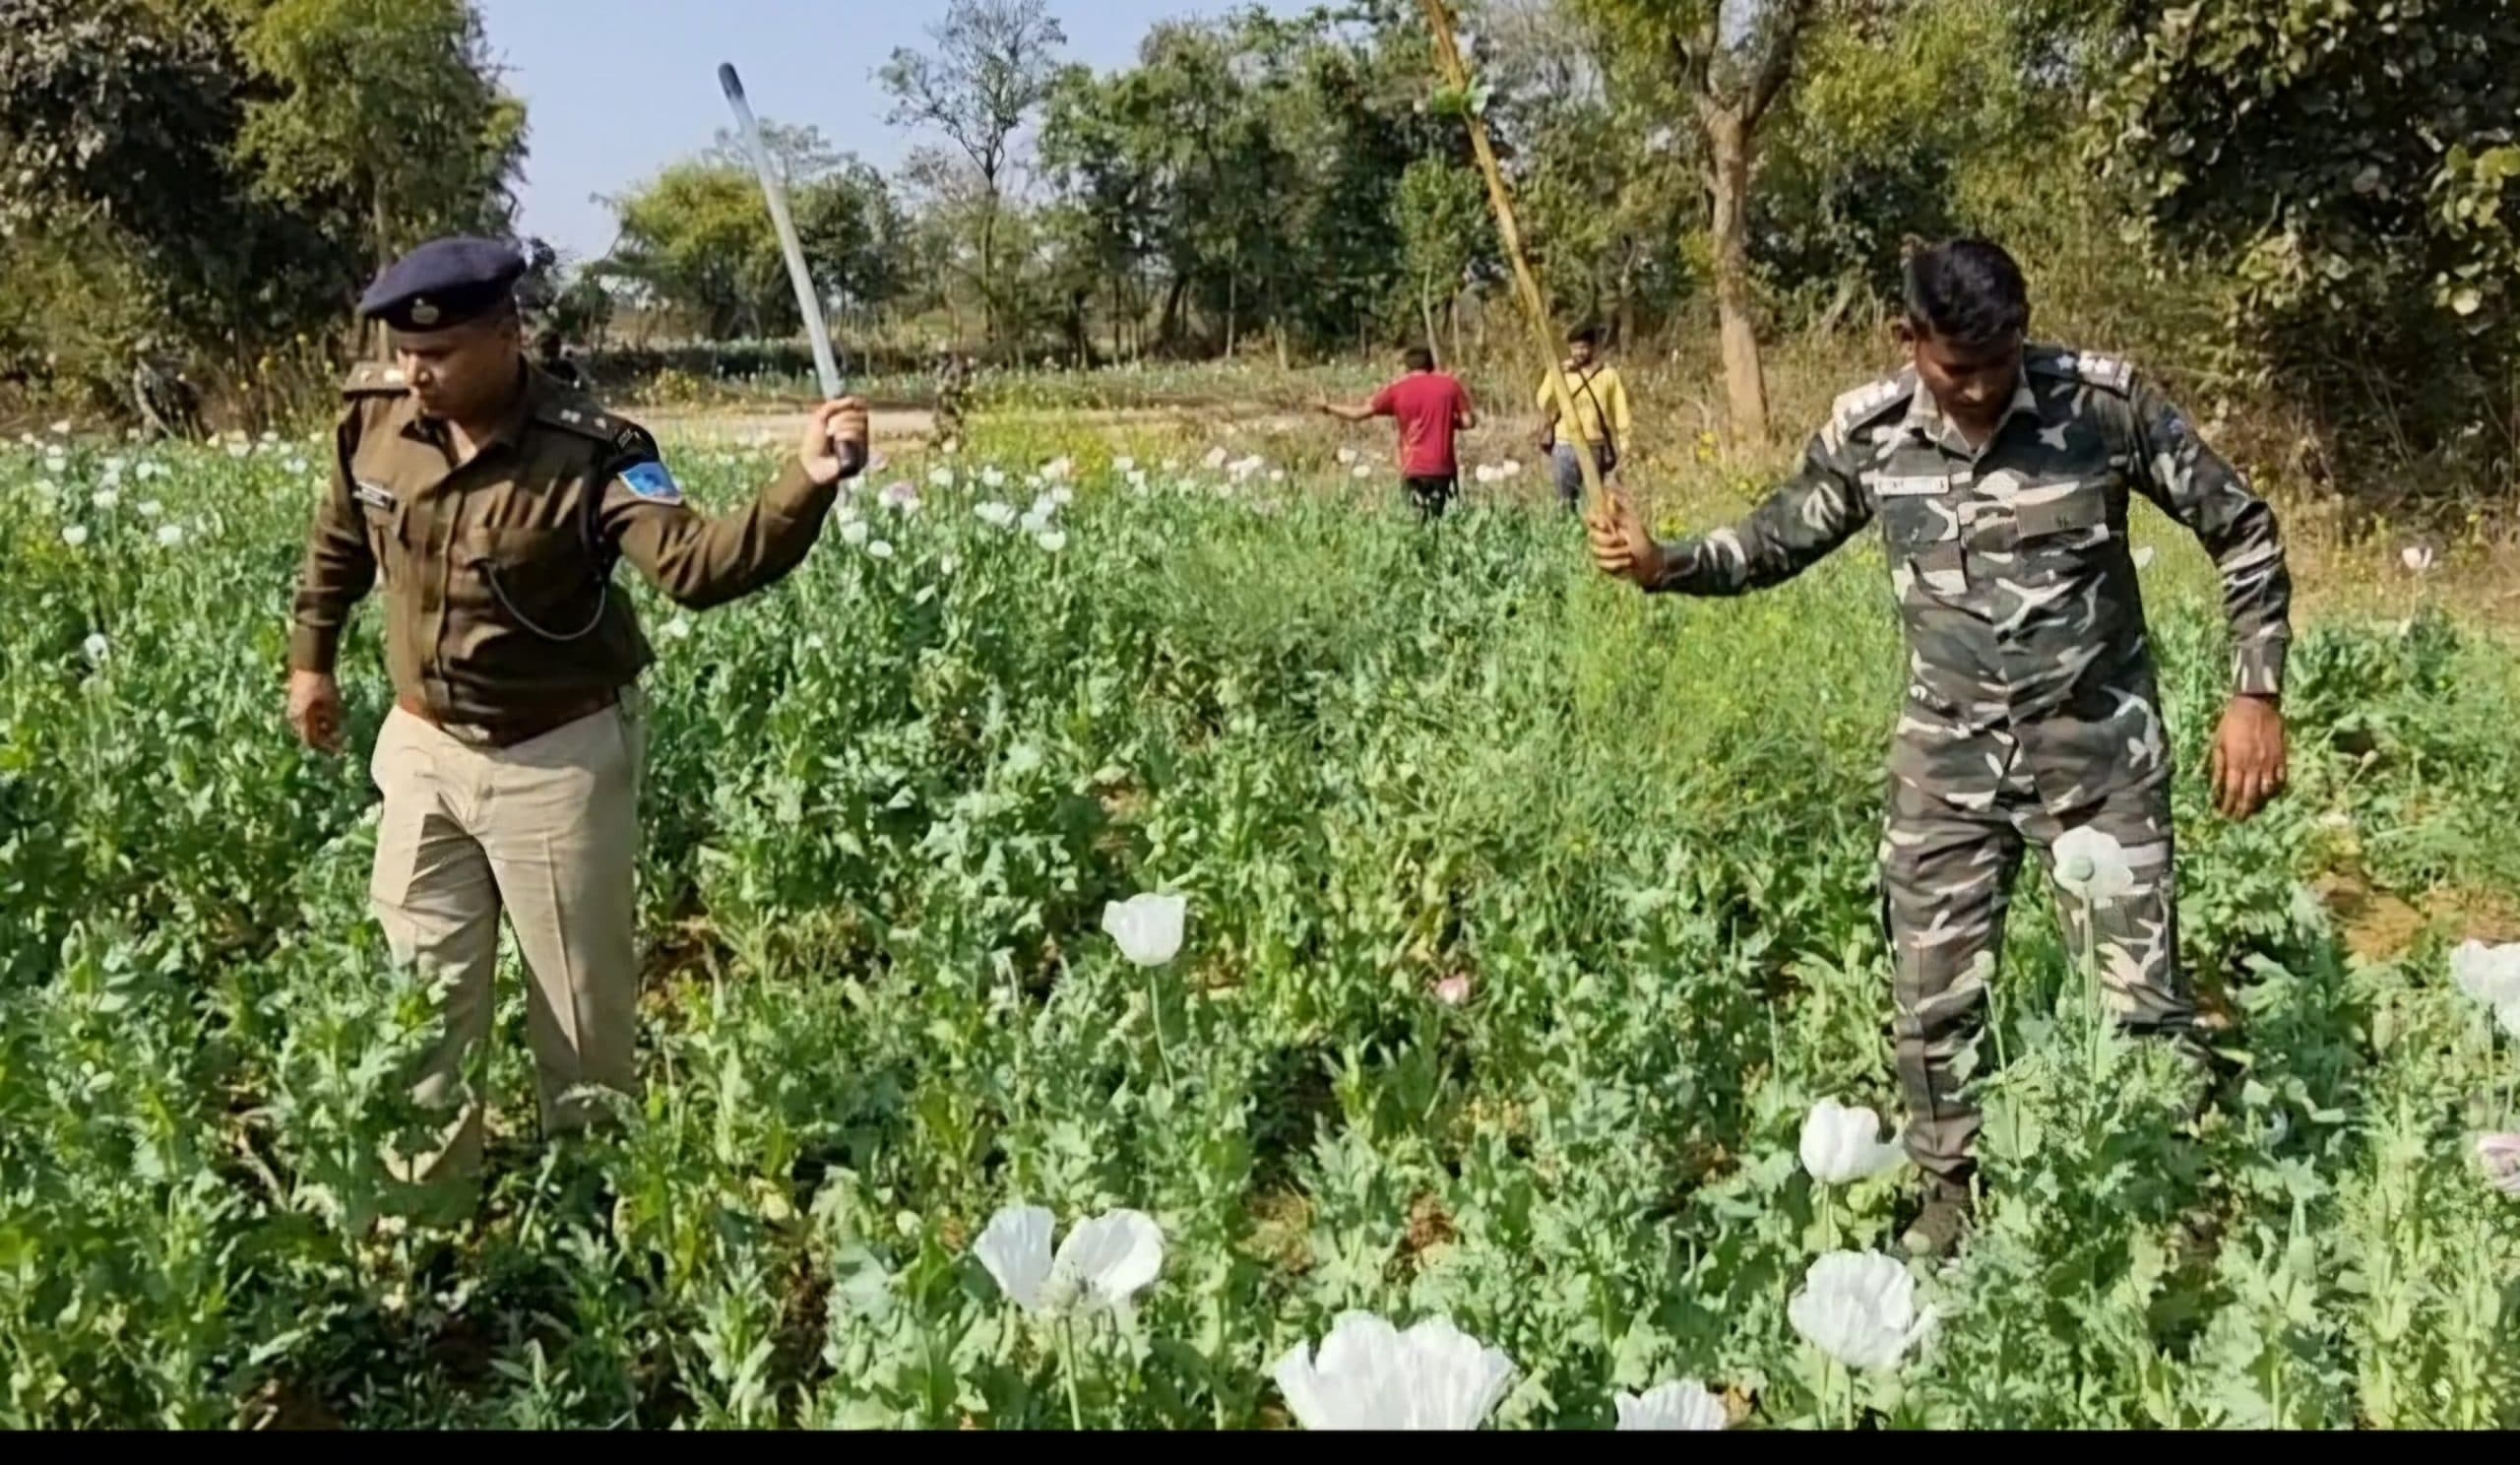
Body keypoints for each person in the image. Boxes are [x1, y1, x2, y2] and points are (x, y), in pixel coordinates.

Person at [1585, 237, 2293, 1259]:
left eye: (1998, 363)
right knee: (1930, 1000)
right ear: (1906, 338)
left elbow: (2243, 529)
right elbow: (1780, 536)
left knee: (2139, 1003)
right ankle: (1949, 1194)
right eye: (1955, 371)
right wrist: (1666, 564)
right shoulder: (1870, 431)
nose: (1977, 391)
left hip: (2096, 762)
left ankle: (2154, 1207)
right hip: (1948, 767)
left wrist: (2254, 690)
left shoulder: (2099, 407)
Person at [284, 236, 870, 1209]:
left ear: (508, 337)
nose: (413, 373)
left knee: (580, 1020)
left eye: (438, 355)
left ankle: (591, 1218)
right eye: (402, 353)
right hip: (423, 748)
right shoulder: (377, 424)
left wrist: (802, 481)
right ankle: (429, 1215)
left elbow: (697, 567)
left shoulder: (594, 453)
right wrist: (311, 661)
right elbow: (342, 537)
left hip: (552, 759)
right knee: (420, 999)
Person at [1318, 346, 1479, 519]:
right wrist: (1447, 420)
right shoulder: (1450, 386)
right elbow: (1468, 422)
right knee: (1439, 522)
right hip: (1442, 469)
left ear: (1407, 367)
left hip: (1413, 467)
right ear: (1431, 365)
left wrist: (1327, 407)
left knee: (1414, 522)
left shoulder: (1397, 390)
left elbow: (1358, 413)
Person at [1538, 324, 1632, 511]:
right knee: (1564, 503)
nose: (1579, 352)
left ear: (1592, 348)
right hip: (1565, 445)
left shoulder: (1608, 376)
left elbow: (1620, 411)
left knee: (1596, 503)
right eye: (1575, 348)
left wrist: (1624, 442)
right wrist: (1556, 374)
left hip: (1595, 445)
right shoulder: (1560, 373)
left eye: (1583, 347)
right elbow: (1543, 402)